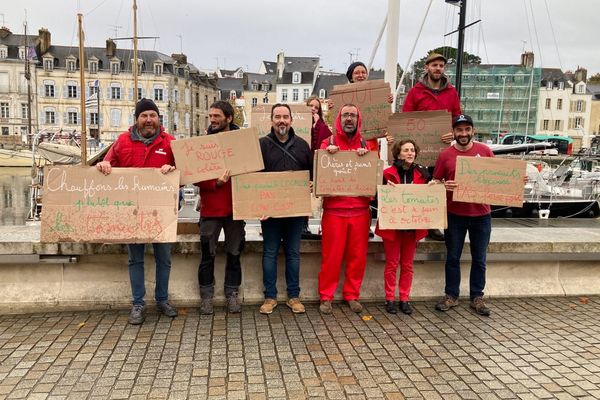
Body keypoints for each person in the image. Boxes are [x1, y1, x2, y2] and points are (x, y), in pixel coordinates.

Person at [96, 98, 178, 325]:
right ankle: (138, 304)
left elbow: (183, 176)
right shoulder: (122, 141)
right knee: (135, 260)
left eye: (153, 115)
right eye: (144, 115)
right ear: (137, 119)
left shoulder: (170, 142)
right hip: (131, 212)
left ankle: (162, 299)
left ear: (159, 118)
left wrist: (172, 171)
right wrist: (103, 166)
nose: (149, 119)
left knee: (165, 258)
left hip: (161, 212)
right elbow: (106, 166)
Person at [432, 114, 494, 316]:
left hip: (481, 215)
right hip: (454, 214)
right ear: (454, 132)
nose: (464, 133)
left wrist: (519, 179)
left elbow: (498, 177)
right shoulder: (445, 155)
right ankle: (451, 295)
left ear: (473, 131)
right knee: (452, 258)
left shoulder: (485, 151)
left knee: (480, 259)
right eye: (460, 130)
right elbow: (434, 183)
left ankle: (477, 296)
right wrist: (443, 185)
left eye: (467, 129)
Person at [258, 103, 312, 315]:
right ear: (271, 120)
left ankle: (293, 296)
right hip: (269, 211)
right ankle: (270, 297)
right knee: (269, 253)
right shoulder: (261, 145)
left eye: (285, 117)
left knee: (293, 253)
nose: (282, 120)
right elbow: (253, 178)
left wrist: (310, 183)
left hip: (295, 211)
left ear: (291, 120)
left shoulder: (302, 145)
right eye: (278, 117)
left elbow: (311, 174)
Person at [402, 52, 462, 242]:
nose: (438, 69)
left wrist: (453, 133)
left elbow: (457, 117)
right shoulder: (415, 91)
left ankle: (433, 225)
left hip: (442, 148)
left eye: (441, 66)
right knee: (420, 185)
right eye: (434, 65)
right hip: (419, 148)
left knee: (439, 185)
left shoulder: (451, 92)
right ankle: (417, 223)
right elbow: (405, 117)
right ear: (426, 67)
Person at [318, 104, 372, 315]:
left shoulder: (366, 144)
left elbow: (374, 177)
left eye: (353, 115)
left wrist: (366, 156)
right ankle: (326, 296)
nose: (349, 118)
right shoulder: (327, 142)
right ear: (339, 118)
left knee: (357, 257)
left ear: (358, 120)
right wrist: (326, 155)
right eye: (346, 114)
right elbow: (320, 172)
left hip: (360, 211)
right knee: (331, 256)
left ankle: (352, 294)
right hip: (334, 212)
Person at [195, 101, 246, 315]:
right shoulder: (203, 143)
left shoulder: (242, 142)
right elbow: (194, 176)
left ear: (229, 118)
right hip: (210, 210)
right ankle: (206, 296)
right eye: (211, 116)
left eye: (217, 116)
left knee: (234, 253)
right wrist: (215, 183)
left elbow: (252, 171)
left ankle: (232, 293)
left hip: (236, 209)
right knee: (207, 255)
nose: (213, 120)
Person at [375, 139, 431, 315]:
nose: (410, 153)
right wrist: (385, 188)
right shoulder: (386, 173)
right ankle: (390, 298)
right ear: (398, 153)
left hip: (412, 226)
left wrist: (432, 186)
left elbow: (430, 196)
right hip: (392, 226)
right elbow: (377, 198)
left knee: (407, 265)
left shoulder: (423, 173)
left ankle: (405, 298)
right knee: (391, 264)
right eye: (406, 150)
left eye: (412, 150)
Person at [303, 97, 332, 237]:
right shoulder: (299, 122)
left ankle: (313, 224)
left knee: (313, 195)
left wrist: (317, 125)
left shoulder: (321, 125)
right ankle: (303, 224)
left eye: (316, 107)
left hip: (314, 164)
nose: (313, 108)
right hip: (302, 162)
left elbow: (324, 140)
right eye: (311, 106)